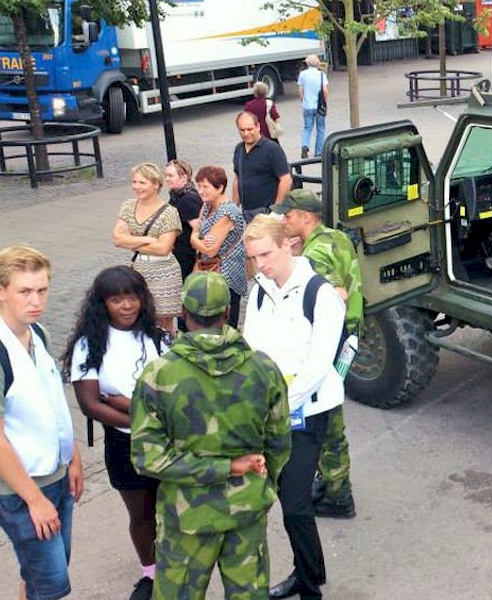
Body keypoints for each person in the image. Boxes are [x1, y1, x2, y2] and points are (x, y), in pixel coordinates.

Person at [130, 272, 291, 600]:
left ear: (183, 313)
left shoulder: (159, 374)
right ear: (228, 313)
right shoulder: (264, 368)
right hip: (247, 510)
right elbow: (279, 441)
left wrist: (218, 468)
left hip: (187, 517)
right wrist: (260, 485)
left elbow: (147, 457)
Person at [242, 216, 345, 600]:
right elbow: (251, 347)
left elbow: (319, 365)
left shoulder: (320, 294)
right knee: (277, 500)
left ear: (289, 244)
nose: (260, 264)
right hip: (267, 410)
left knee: (295, 505)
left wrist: (283, 407)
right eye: (253, 257)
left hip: (307, 412)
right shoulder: (259, 288)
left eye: (266, 254)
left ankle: (309, 587)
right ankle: (310, 572)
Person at [62, 266, 169, 600]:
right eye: (116, 299)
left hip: (166, 440)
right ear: (102, 303)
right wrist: (143, 417)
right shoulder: (89, 344)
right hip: (124, 443)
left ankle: (177, 568)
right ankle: (151, 574)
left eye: (132, 297)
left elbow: (174, 395)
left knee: (171, 508)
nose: (126, 305)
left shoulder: (158, 336)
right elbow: (91, 404)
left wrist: (123, 402)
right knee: (141, 513)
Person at [271, 189, 364, 520]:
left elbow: (337, 292)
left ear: (306, 218)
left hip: (330, 340)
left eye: (289, 215)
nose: (284, 220)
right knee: (330, 414)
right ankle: (332, 483)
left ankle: (339, 496)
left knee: (327, 421)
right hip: (349, 334)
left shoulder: (316, 253)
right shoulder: (335, 237)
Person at [0, 245, 83, 600]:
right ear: (2, 291)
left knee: (41, 576)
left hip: (56, 474)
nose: (36, 301)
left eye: (42, 290)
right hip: (24, 488)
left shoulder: (39, 333)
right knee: (49, 586)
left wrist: (72, 456)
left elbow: (50, 401)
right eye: (24, 291)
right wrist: (34, 500)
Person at [112, 163, 183, 334]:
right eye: (134, 182)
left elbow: (163, 248)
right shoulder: (128, 206)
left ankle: (165, 349)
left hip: (164, 273)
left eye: (142, 183)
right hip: (139, 270)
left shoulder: (169, 212)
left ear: (156, 184)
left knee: (163, 325)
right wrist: (146, 239)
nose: (136, 187)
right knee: (139, 318)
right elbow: (117, 238)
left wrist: (130, 241)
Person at [190, 165, 247, 328]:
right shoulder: (207, 206)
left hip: (226, 273)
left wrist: (195, 239)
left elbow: (210, 249)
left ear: (220, 187)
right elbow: (197, 236)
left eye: (205, 187)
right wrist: (198, 239)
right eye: (199, 186)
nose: (201, 191)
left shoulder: (227, 212)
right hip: (210, 269)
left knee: (225, 320)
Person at [231, 111, 292, 223]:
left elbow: (286, 179)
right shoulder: (239, 149)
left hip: (266, 212)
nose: (246, 133)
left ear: (258, 127)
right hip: (246, 212)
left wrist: (276, 211)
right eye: (242, 130)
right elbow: (237, 178)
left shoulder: (272, 149)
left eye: (249, 129)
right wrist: (234, 207)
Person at [164, 159, 202, 281]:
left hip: (187, 256)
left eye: (171, 176)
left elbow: (199, 228)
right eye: (166, 175)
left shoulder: (187, 199)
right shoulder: (178, 195)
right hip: (181, 252)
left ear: (184, 177)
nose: (167, 179)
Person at [297, 54, 329, 159]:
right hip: (319, 106)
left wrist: (303, 101)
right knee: (320, 128)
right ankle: (318, 152)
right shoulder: (321, 75)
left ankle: (305, 145)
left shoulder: (302, 74)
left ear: (307, 63)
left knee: (307, 128)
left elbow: (300, 90)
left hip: (307, 106)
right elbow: (325, 90)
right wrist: (324, 101)